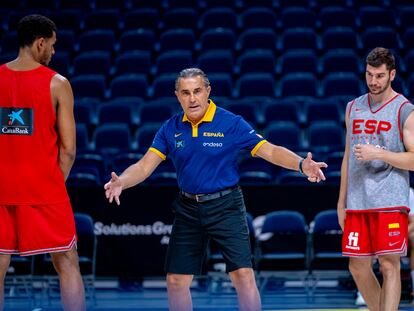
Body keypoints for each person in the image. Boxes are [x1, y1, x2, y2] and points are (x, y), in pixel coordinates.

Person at [105, 67, 328, 311]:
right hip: (188, 208)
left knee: (243, 277)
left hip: (226, 206)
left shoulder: (230, 123)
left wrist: (300, 164)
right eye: (186, 93)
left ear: (208, 91)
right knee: (176, 281)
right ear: (177, 95)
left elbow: (270, 150)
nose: (192, 99)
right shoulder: (170, 128)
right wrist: (122, 182)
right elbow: (145, 165)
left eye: (197, 91)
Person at [0, 15, 85, 311]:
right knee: (67, 262)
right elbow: (69, 150)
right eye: (52, 45)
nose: (52, 51)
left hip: (1, 189)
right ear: (40, 42)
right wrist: (50, 184)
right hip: (43, 189)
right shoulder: (58, 83)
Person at [337, 47, 414, 311]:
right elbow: (348, 157)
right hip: (358, 198)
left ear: (392, 74)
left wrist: (382, 154)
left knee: (388, 263)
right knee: (357, 265)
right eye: (369, 75)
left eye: (379, 76)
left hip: (390, 196)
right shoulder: (353, 107)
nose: (373, 81)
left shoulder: (405, 109)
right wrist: (341, 202)